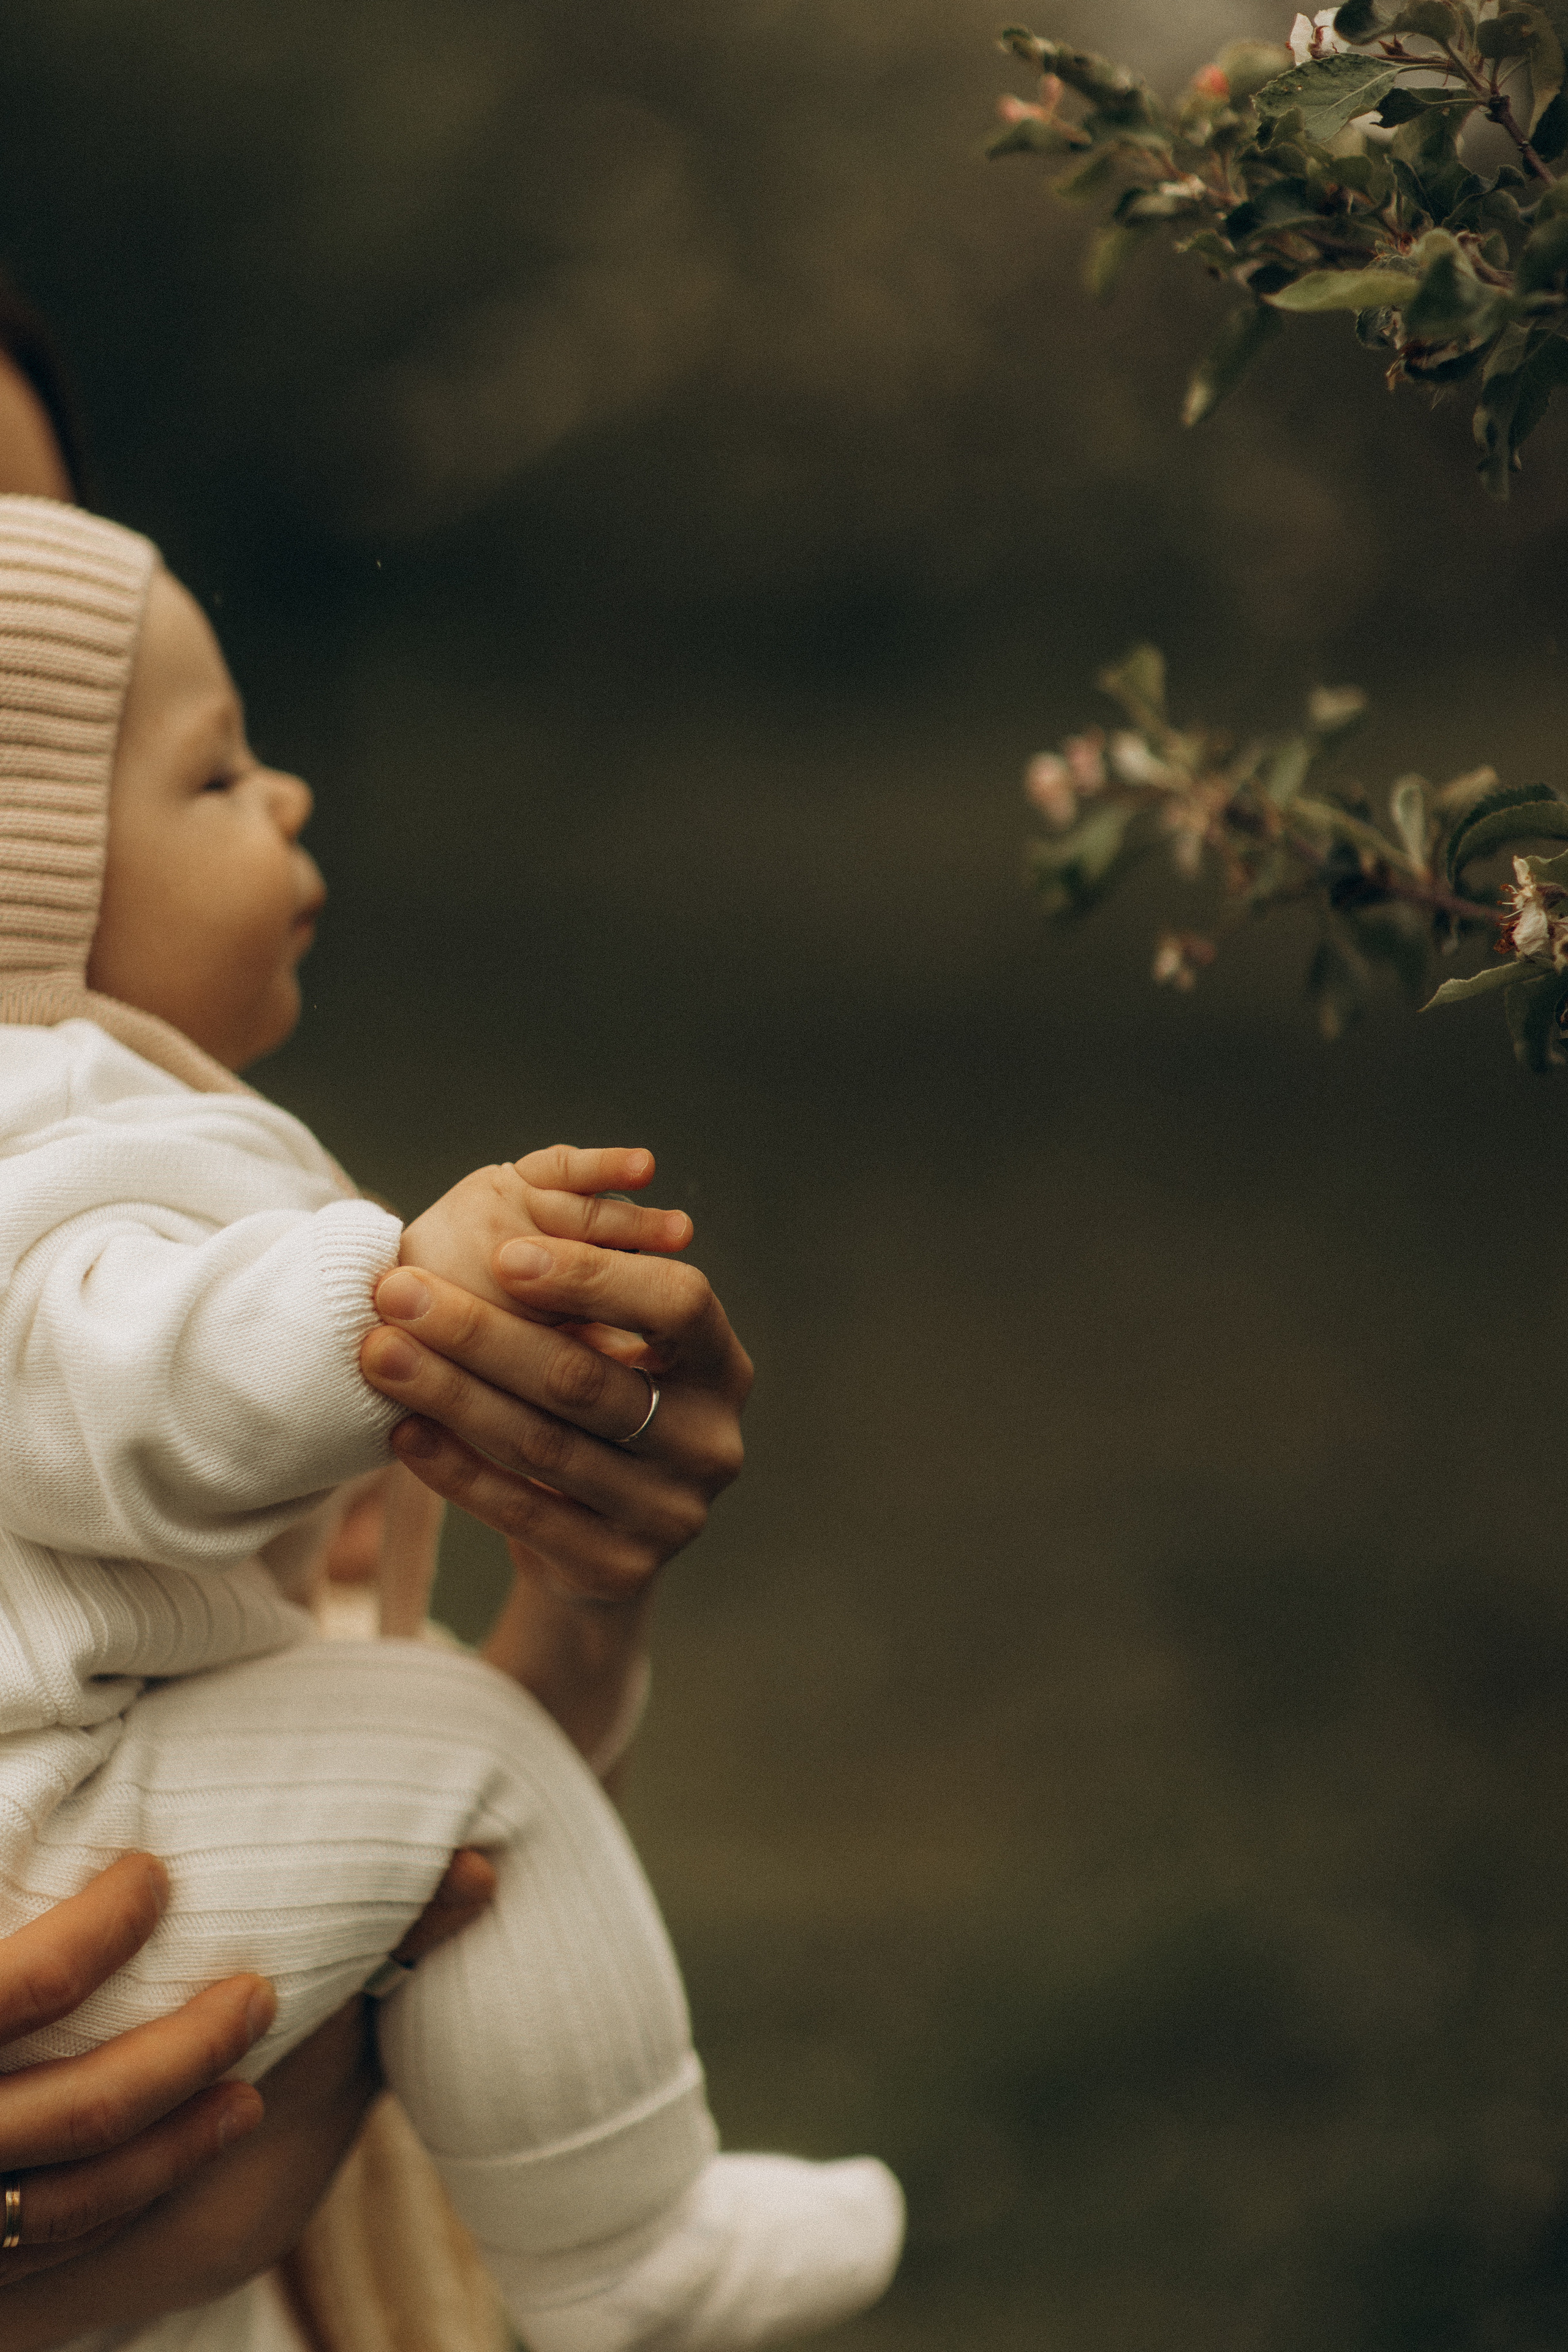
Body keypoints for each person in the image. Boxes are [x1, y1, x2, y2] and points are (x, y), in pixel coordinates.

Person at [0, 496, 903, 2352]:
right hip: (46, 1869)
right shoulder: (45, 1132)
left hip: (82, 1875)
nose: (290, 800)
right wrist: (379, 1299)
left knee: (452, 1761)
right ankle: (626, 2253)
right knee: (459, 1753)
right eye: (213, 771)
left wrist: (588, 1576)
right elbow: (116, 1380)